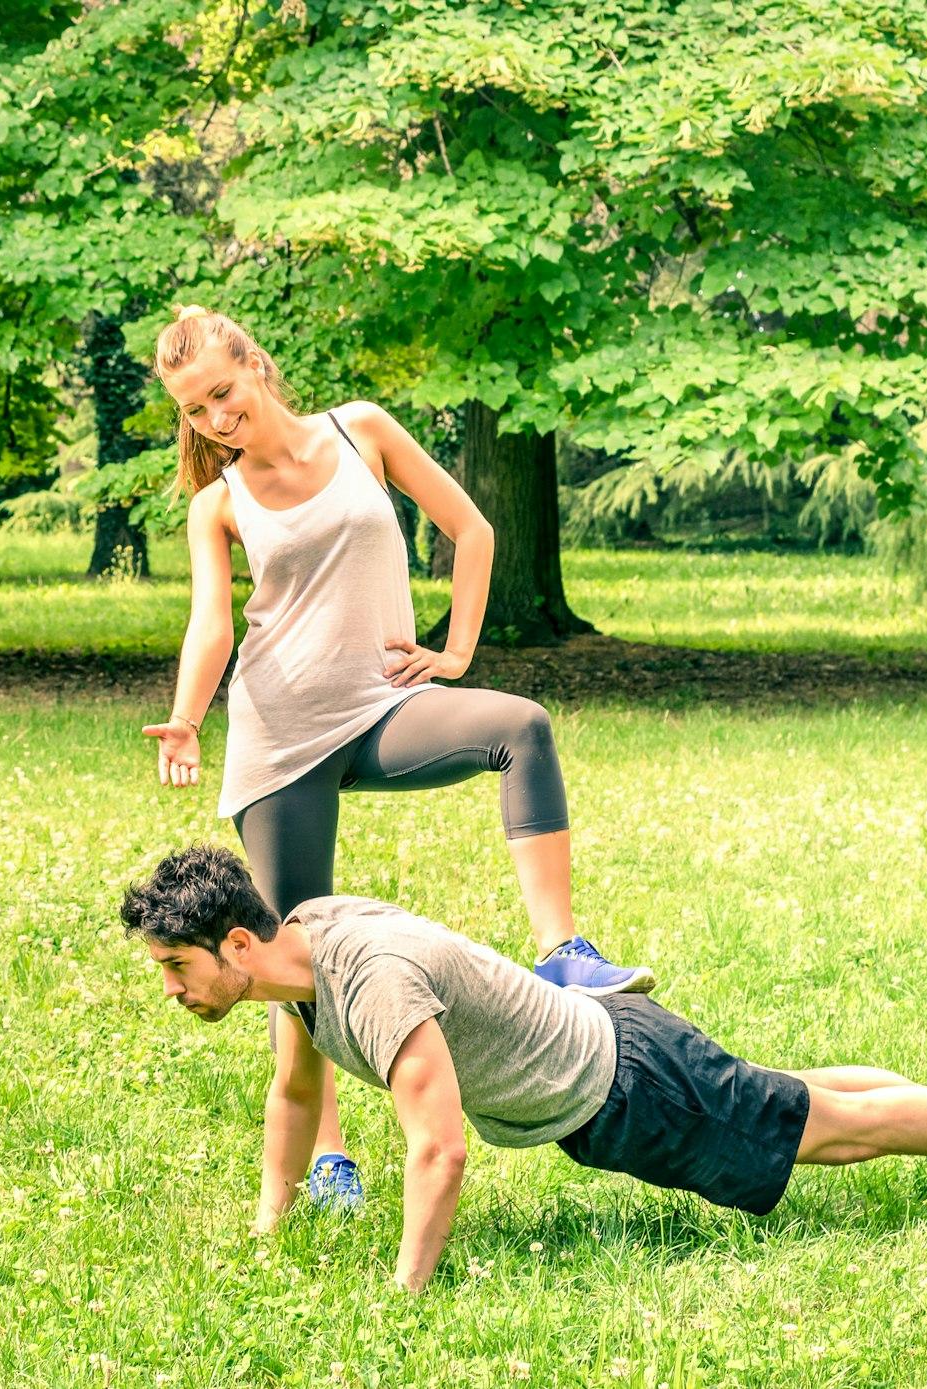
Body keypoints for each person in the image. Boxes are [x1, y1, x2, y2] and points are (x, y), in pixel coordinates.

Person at [138, 304, 653, 1213]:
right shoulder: (217, 502)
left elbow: (474, 529)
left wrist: (454, 652)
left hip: (379, 706)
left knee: (520, 727)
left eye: (221, 393)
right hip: (280, 738)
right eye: (195, 411)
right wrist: (186, 718)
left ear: (254, 365)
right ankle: (327, 1158)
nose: (215, 419)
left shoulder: (362, 430)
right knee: (290, 952)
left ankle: (563, 951)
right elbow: (212, 625)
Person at [117, 846, 927, 1293]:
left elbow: (437, 1151)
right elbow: (296, 1095)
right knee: (800, 1097)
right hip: (612, 1048)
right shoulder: (298, 959)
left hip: (623, 1085)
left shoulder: (367, 982)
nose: (169, 987)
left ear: (237, 944)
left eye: (175, 966)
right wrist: (269, 1229)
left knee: (832, 1131)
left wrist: (404, 1295)